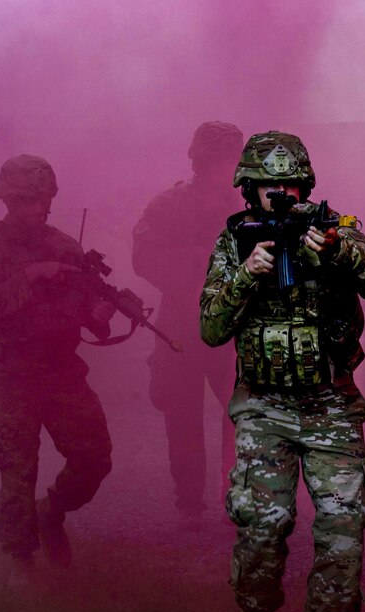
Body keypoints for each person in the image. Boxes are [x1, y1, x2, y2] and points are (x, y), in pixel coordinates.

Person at [200, 131, 365, 612]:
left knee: (344, 526)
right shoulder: (235, 241)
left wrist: (337, 250)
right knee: (264, 522)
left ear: (303, 184)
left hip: (329, 402)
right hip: (264, 405)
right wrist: (247, 275)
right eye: (266, 184)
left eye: (288, 182)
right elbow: (210, 329)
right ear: (248, 188)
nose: (278, 192)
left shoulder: (335, 228)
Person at [0, 155, 117, 577]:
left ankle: (53, 511)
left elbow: (84, 312)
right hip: (13, 373)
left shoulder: (65, 246)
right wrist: (32, 275)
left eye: (44, 200)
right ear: (9, 200)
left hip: (62, 370)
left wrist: (99, 316)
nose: (39, 209)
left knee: (94, 457)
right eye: (29, 200)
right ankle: (21, 562)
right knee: (16, 471)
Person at [132, 121, 242, 518]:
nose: (223, 170)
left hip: (233, 330)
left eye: (231, 161)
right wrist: (195, 262)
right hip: (181, 326)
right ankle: (189, 502)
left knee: (244, 414)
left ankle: (239, 498)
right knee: (182, 418)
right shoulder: (169, 206)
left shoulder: (250, 210)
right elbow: (143, 258)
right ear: (199, 161)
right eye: (217, 160)